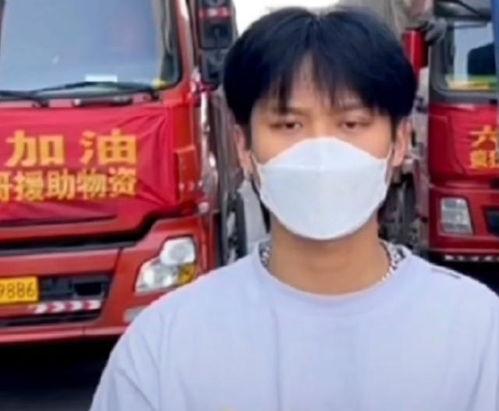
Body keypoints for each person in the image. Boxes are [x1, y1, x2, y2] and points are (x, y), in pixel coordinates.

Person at [90, 7, 499, 411]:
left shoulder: (477, 331)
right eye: (289, 125)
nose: (320, 151)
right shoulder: (163, 349)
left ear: (400, 141)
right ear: (244, 147)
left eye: (351, 123)